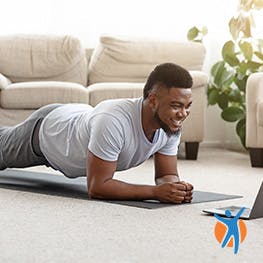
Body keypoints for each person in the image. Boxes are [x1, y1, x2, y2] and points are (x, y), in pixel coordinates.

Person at [0, 63, 194, 203]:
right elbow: (98, 187)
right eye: (176, 106)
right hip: (46, 132)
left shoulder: (170, 125)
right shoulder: (113, 120)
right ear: (152, 100)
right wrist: (155, 192)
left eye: (187, 107)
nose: (183, 114)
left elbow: (167, 174)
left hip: (76, 121)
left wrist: (175, 188)